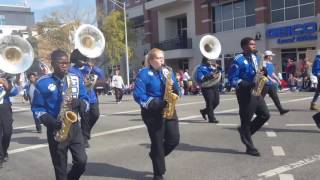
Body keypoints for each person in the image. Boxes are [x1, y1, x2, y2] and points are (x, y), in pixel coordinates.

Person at [32, 49, 89, 180]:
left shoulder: (76, 78)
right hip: (55, 130)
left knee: (81, 162)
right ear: (53, 63)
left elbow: (86, 101)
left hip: (74, 127)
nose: (65, 65)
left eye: (67, 62)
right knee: (60, 169)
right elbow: (37, 108)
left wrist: (79, 103)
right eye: (61, 62)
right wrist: (49, 121)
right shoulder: (43, 82)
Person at [133, 48, 181, 180]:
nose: (162, 61)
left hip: (169, 109)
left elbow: (177, 89)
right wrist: (156, 103)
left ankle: (156, 155)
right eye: (159, 58)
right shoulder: (143, 74)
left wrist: (176, 90)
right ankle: (158, 174)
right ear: (151, 60)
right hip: (152, 112)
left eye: (163, 58)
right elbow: (138, 95)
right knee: (158, 143)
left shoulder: (167, 71)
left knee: (174, 140)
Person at [228, 37, 270, 156]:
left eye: (254, 44)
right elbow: (233, 79)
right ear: (245, 46)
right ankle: (249, 146)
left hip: (256, 90)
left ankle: (245, 132)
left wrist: (263, 72)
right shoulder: (237, 60)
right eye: (252, 44)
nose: (254, 46)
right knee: (246, 121)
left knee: (265, 115)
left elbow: (258, 71)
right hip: (244, 92)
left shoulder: (255, 57)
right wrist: (247, 84)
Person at [69, 49, 104, 148]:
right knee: (85, 118)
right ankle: (84, 138)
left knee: (95, 115)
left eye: (84, 58)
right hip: (81, 98)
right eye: (81, 59)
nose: (83, 61)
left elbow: (101, 75)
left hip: (92, 97)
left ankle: (84, 132)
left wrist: (92, 67)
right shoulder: (72, 70)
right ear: (76, 59)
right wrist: (85, 78)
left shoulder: (89, 68)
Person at [261, 50, 289, 115]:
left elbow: (272, 73)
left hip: (270, 84)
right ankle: (254, 110)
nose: (272, 57)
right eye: (271, 56)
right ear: (268, 56)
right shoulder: (263, 63)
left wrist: (277, 79)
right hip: (264, 84)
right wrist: (270, 79)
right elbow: (264, 73)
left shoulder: (270, 64)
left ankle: (281, 110)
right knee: (260, 98)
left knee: (275, 97)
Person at [0, 73, 19, 168]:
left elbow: (15, 92)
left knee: (7, 133)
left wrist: (7, 85)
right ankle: (0, 157)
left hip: (5, 108)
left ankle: (4, 150)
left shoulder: (7, 80)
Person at [195, 57, 220, 123]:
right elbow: (201, 78)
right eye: (209, 60)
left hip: (214, 85)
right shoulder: (200, 68)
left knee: (216, 102)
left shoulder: (212, 67)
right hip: (206, 87)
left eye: (210, 60)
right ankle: (212, 119)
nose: (210, 61)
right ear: (205, 61)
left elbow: (219, 72)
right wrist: (211, 76)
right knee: (210, 103)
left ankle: (204, 111)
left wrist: (218, 68)